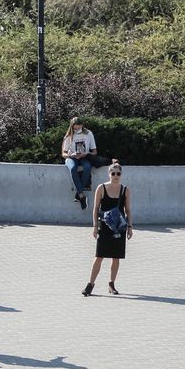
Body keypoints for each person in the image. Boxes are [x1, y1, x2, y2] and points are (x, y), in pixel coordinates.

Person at [83, 160, 132, 298]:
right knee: (99, 256)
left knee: (116, 257)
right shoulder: (101, 188)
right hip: (105, 226)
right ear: (109, 174)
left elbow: (128, 210)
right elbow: (95, 208)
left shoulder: (125, 190)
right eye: (113, 173)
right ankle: (90, 284)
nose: (116, 176)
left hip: (119, 227)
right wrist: (94, 226)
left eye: (118, 173)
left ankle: (111, 284)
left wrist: (130, 227)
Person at [61, 117, 101, 208]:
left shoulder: (88, 134)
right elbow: (64, 153)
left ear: (82, 126)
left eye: (79, 127)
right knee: (73, 168)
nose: (77, 129)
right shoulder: (68, 136)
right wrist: (71, 155)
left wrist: (86, 153)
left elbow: (94, 152)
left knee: (87, 167)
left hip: (84, 156)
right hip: (72, 157)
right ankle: (81, 195)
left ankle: (78, 194)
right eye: (75, 128)